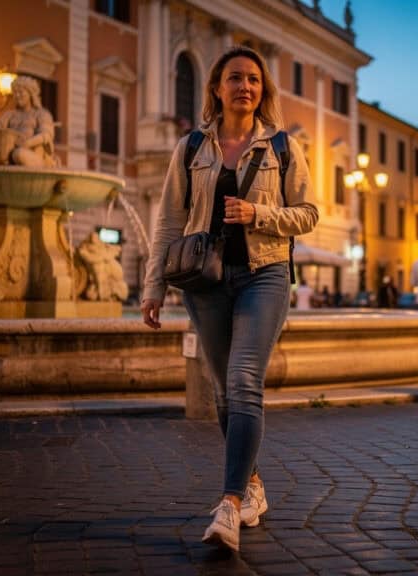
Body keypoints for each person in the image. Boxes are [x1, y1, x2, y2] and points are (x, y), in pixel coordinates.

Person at [140, 46, 318, 552]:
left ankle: (230, 504)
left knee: (243, 380)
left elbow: (307, 212)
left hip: (265, 275)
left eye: (254, 80)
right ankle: (254, 485)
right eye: (235, 78)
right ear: (217, 87)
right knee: (224, 391)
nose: (245, 86)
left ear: (263, 92)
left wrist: (259, 215)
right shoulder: (192, 147)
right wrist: (153, 287)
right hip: (206, 281)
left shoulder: (282, 145)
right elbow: (169, 222)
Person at [0, 76, 57, 168]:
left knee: (19, 154)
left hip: (34, 155)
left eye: (21, 92)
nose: (17, 96)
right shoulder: (10, 115)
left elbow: (46, 135)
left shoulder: (42, 114)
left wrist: (28, 143)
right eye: (15, 93)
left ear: (30, 94)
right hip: (9, 155)